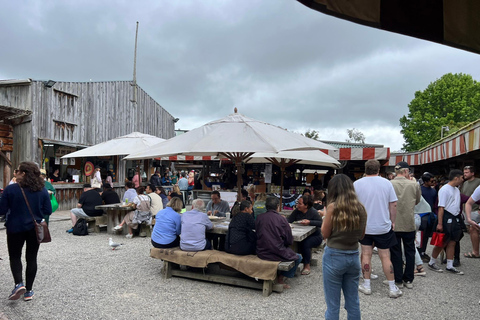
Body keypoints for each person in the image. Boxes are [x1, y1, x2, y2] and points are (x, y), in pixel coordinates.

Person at [0, 162, 52, 301]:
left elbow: (1, 210)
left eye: (17, 170)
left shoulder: (10, 190)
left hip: (15, 228)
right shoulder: (42, 190)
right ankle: (29, 291)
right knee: (32, 257)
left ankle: (18, 284)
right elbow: (48, 210)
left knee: (15, 256)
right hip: (34, 228)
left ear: (23, 173)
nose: (15, 173)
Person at [321, 174, 367, 320]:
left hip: (334, 255)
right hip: (353, 255)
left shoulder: (333, 207)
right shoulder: (360, 208)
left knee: (333, 305)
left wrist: (324, 218)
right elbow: (362, 236)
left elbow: (325, 234)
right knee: (353, 302)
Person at [354, 159, 401, 298]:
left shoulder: (356, 184)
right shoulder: (387, 183)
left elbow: (353, 205)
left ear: (365, 169)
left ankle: (367, 285)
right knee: (385, 256)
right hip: (382, 225)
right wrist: (393, 221)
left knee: (366, 254)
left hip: (364, 226)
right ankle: (392, 287)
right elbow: (393, 204)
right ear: (379, 170)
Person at [256, 196, 302, 289]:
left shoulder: (259, 217)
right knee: (298, 257)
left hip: (261, 251)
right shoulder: (282, 219)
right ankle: (280, 278)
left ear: (266, 206)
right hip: (276, 252)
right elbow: (289, 240)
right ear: (278, 206)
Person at [390, 162, 421, 289]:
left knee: (395, 251)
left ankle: (397, 279)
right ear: (406, 171)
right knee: (410, 250)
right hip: (408, 221)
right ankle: (408, 279)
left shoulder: (389, 184)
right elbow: (418, 200)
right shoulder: (414, 184)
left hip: (394, 222)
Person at [428, 169, 465, 274]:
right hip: (445, 216)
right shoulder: (444, 189)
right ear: (456, 178)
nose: (463, 180)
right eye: (462, 177)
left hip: (455, 216)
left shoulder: (457, 189)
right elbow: (441, 207)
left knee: (453, 242)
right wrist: (440, 223)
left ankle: (450, 265)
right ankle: (432, 262)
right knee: (442, 242)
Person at [287, 194, 323, 275]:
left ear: (306, 206)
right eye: (298, 203)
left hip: (315, 236)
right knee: (293, 241)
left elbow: (321, 223)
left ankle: (307, 265)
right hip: (301, 234)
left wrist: (310, 222)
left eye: (300, 204)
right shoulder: (297, 211)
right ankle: (295, 261)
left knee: (306, 243)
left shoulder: (313, 212)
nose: (297, 205)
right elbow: (289, 219)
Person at [460, 165, 480, 260]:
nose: (465, 174)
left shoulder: (478, 182)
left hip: (476, 210)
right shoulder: (465, 183)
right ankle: (475, 250)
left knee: (474, 229)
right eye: (464, 173)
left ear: (472, 173)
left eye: (467, 172)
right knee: (471, 229)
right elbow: (466, 199)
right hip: (467, 210)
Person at [419, 172, 438, 262]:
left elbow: (435, 203)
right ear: (425, 181)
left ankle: (423, 252)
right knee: (420, 235)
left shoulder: (434, 191)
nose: (433, 182)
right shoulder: (419, 190)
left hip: (431, 215)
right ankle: (419, 252)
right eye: (431, 181)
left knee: (427, 235)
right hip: (421, 215)